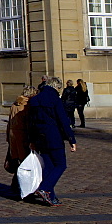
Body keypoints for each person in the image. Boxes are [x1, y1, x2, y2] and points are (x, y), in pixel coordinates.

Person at [27, 77, 77, 205]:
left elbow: (31, 123)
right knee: (61, 165)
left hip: (39, 137)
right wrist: (71, 139)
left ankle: (51, 196)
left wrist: (32, 140)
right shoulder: (55, 99)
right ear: (57, 87)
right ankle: (44, 188)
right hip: (54, 137)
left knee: (49, 167)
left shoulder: (35, 99)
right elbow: (63, 121)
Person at [5, 86, 37, 195]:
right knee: (26, 162)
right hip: (23, 135)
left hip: (13, 135)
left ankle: (16, 185)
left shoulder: (15, 104)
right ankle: (21, 185)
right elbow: (28, 123)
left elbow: (9, 121)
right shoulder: (27, 105)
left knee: (18, 160)